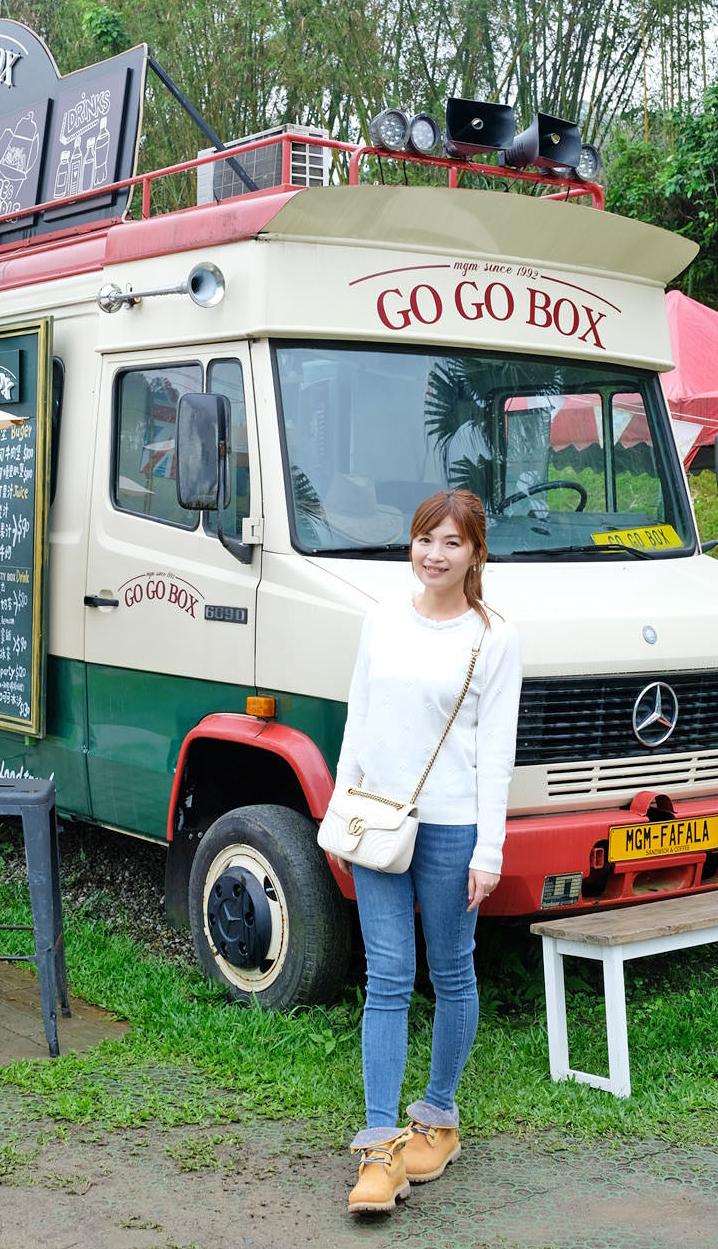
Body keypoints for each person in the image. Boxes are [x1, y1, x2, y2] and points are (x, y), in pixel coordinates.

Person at [329, 488, 523, 1216]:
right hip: (376, 823)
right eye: (424, 539)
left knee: (450, 972)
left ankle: (437, 1118)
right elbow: (360, 716)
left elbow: (496, 752)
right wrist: (340, 809)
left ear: (476, 553)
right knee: (386, 976)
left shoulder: (494, 636)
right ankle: (381, 1153)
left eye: (451, 543)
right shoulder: (380, 620)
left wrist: (490, 850)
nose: (434, 555)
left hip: (452, 831)